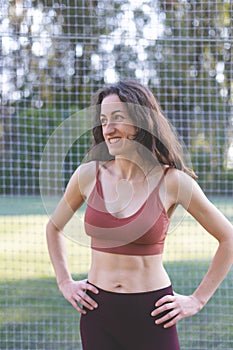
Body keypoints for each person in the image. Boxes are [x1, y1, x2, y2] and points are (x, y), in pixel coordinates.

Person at [46, 80, 233, 350]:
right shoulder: (88, 175)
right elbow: (53, 228)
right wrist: (64, 281)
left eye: (118, 118)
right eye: (103, 120)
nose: (108, 129)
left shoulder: (173, 182)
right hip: (98, 312)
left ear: (141, 121)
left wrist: (197, 299)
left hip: (153, 313)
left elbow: (228, 237)